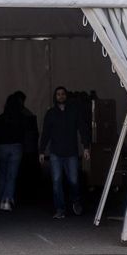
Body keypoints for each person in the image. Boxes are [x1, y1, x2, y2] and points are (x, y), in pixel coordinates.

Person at [39, 86, 91, 219]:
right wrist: (41, 150)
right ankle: (60, 209)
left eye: (63, 94)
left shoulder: (74, 112)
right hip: (55, 153)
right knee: (56, 181)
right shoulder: (51, 113)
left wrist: (86, 147)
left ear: (66, 96)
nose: (61, 96)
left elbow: (82, 129)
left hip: (71, 152)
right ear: (55, 97)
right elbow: (45, 133)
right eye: (58, 94)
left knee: (73, 180)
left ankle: (75, 201)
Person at [0, 93, 32, 211]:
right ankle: (7, 200)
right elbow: (26, 134)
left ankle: (1, 198)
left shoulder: (0, 118)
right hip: (16, 148)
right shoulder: (22, 118)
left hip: (2, 147)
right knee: (11, 176)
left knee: (3, 174)